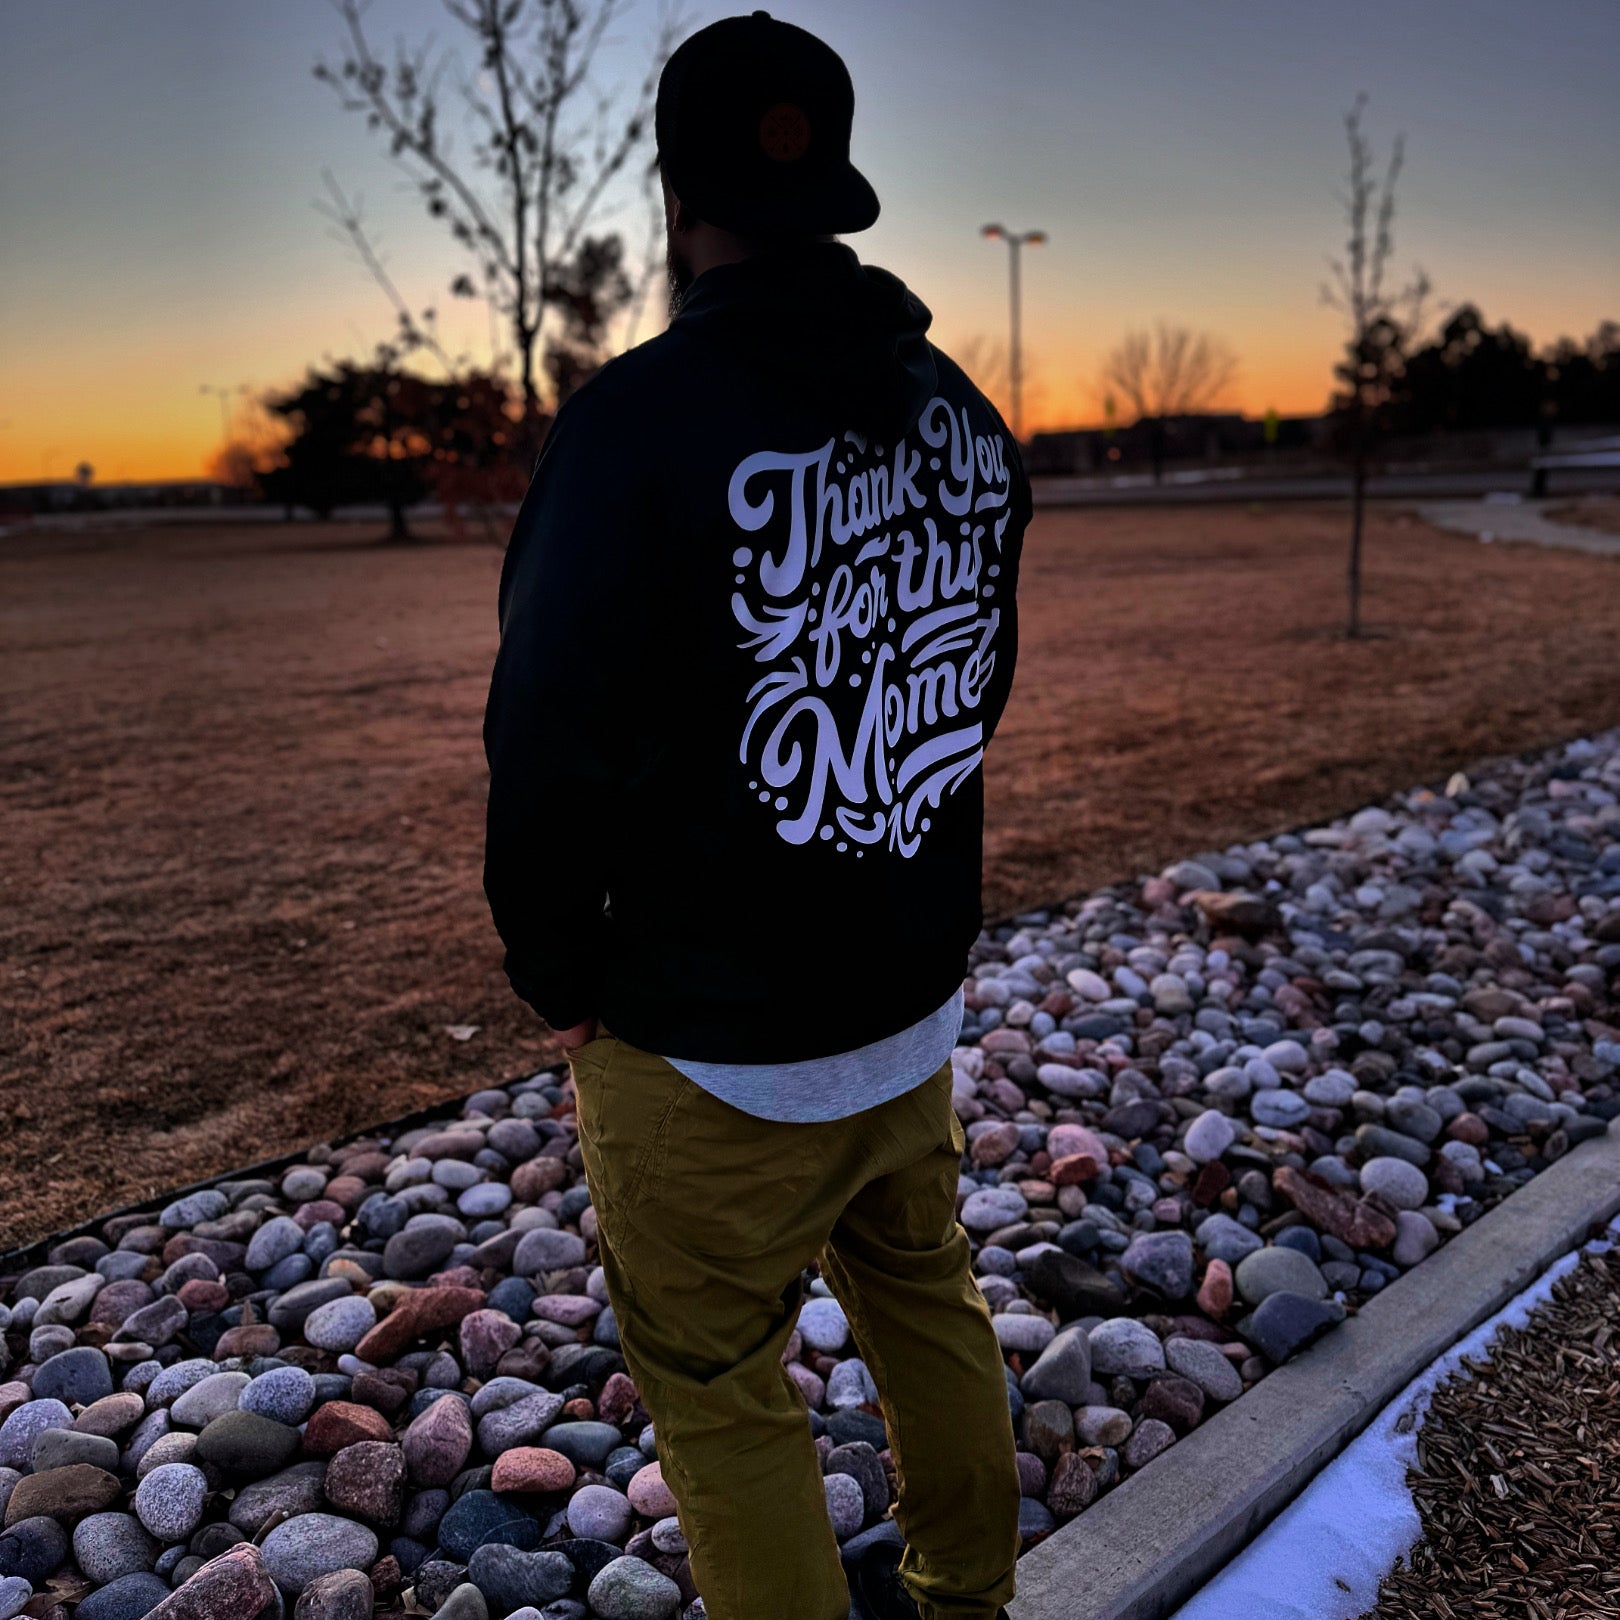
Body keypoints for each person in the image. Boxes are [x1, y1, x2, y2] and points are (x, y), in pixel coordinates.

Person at [484, 12, 1029, 1618]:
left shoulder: (636, 423)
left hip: (706, 1044)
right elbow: (967, 684)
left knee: (722, 1395)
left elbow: (544, 737)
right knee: (931, 1301)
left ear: (678, 194)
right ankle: (969, 1598)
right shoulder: (961, 411)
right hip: (906, 1002)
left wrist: (555, 976)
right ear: (837, 178)